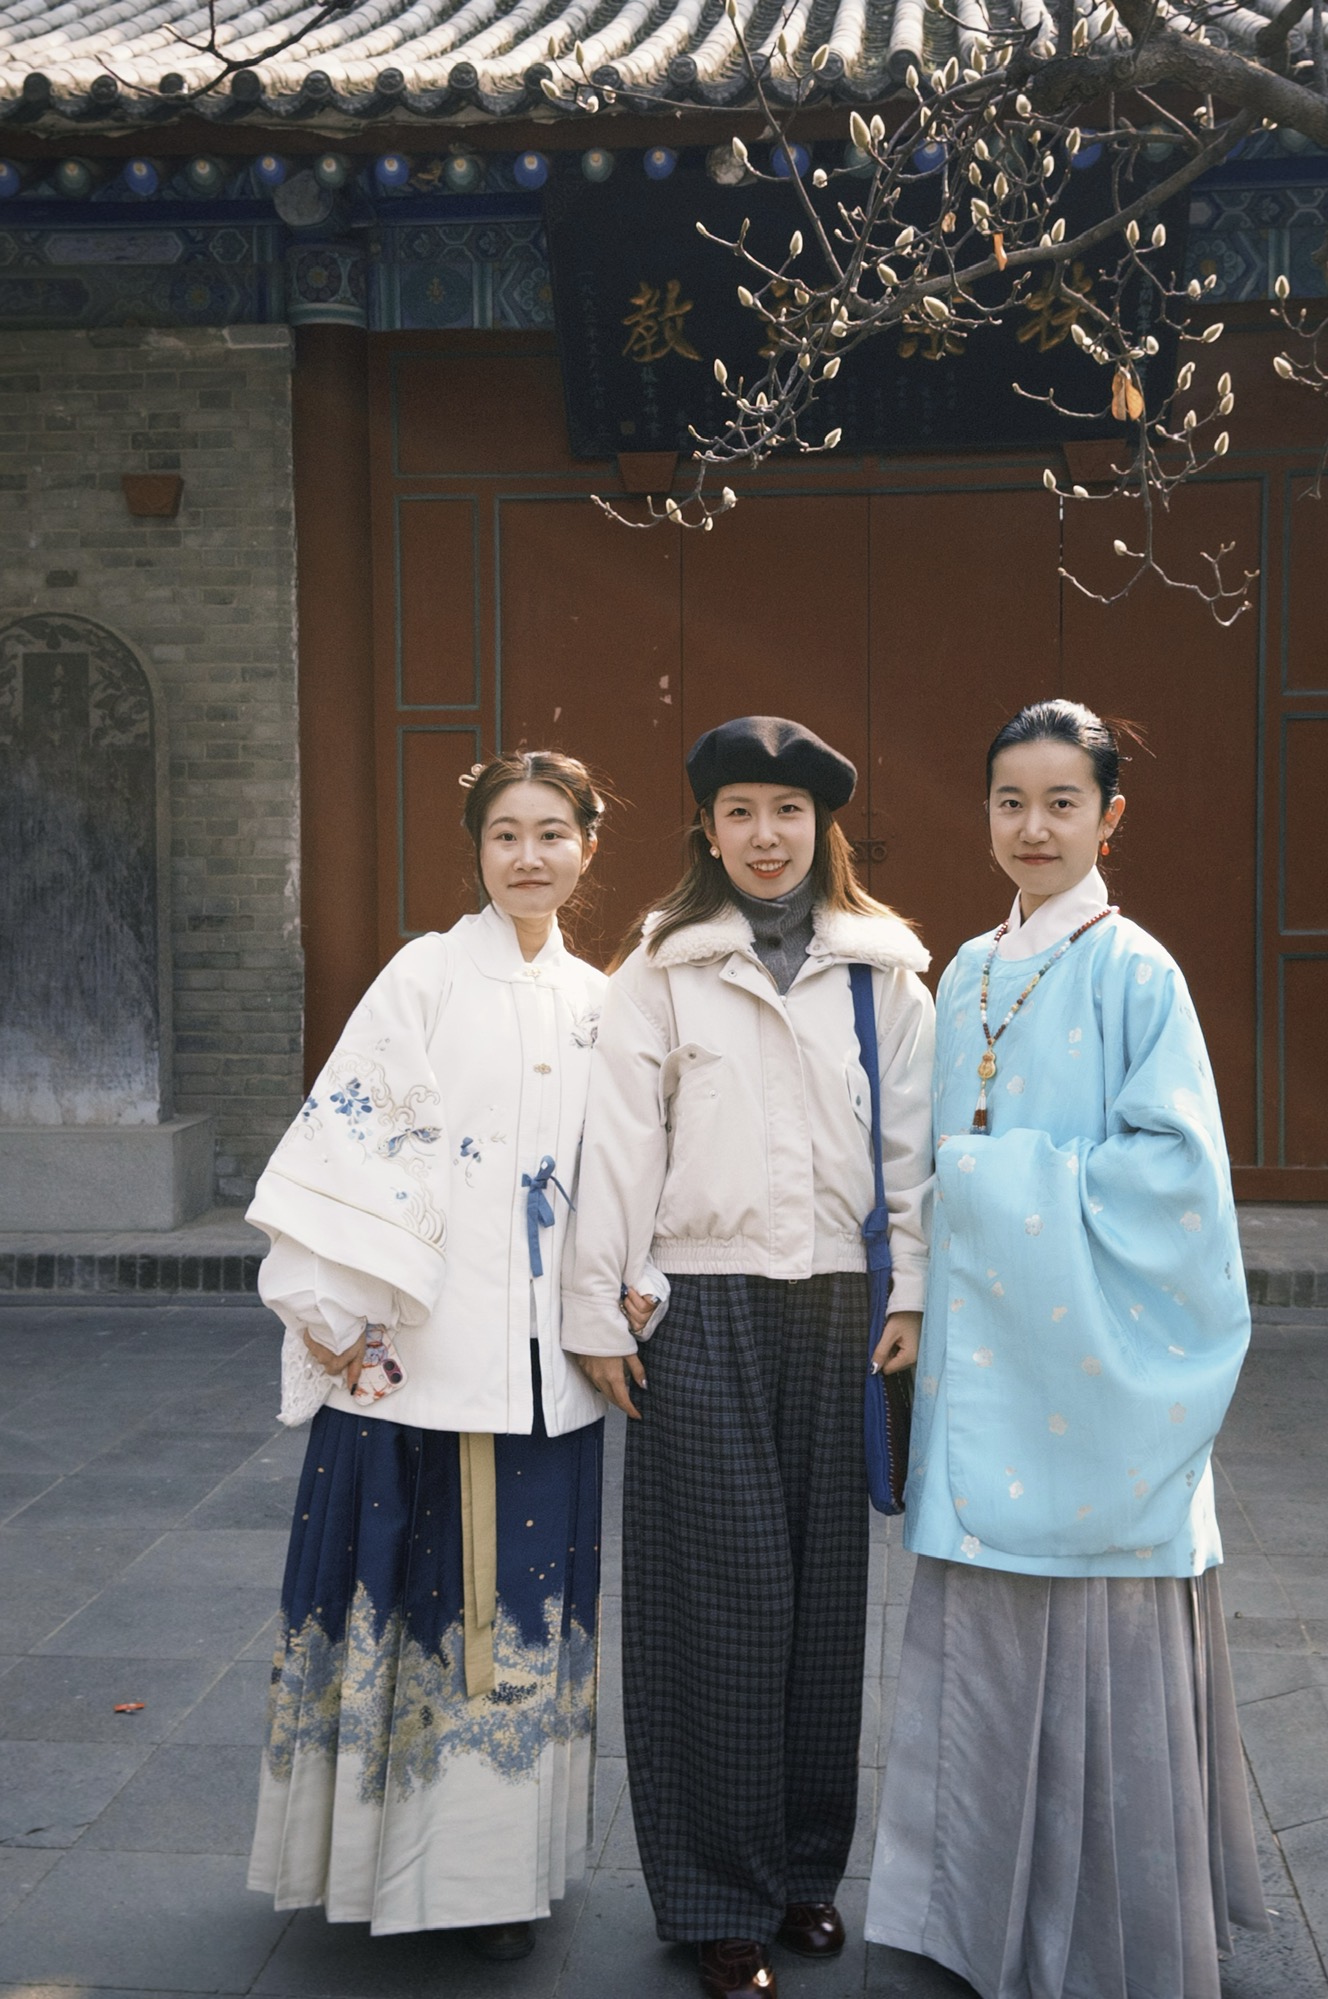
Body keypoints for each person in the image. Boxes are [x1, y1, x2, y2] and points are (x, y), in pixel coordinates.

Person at [865, 699, 1268, 1999]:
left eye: (1058, 801)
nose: (1030, 827)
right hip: (981, 1363)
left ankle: (1100, 1933)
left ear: (1108, 816)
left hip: (1090, 1380)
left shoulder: (1135, 971)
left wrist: (994, 1187)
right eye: (1007, 801)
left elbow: (1177, 1182)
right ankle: (964, 1916)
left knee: (1093, 1634)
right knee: (980, 1643)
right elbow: (917, 1161)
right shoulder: (965, 972)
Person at [562, 716, 935, 1999]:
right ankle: (718, 1896)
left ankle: (801, 1875)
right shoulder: (660, 968)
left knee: (825, 1607)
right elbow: (617, 1147)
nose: (764, 837)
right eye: (739, 812)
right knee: (718, 1606)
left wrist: (912, 1291)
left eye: (787, 811)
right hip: (700, 1306)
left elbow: (911, 1153)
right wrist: (596, 1313)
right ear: (706, 830)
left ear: (821, 827)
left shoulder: (885, 974)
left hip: (840, 1308)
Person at [245, 750, 609, 1955]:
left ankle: (494, 1880)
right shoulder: (425, 975)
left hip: (546, 1366)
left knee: (521, 1618)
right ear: (477, 850)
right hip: (422, 1350)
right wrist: (345, 1314)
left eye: (551, 832)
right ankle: (389, 1870)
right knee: (425, 1605)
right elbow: (355, 1135)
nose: (527, 855)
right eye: (504, 833)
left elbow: (623, 1170)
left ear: (587, 845)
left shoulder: (600, 999)